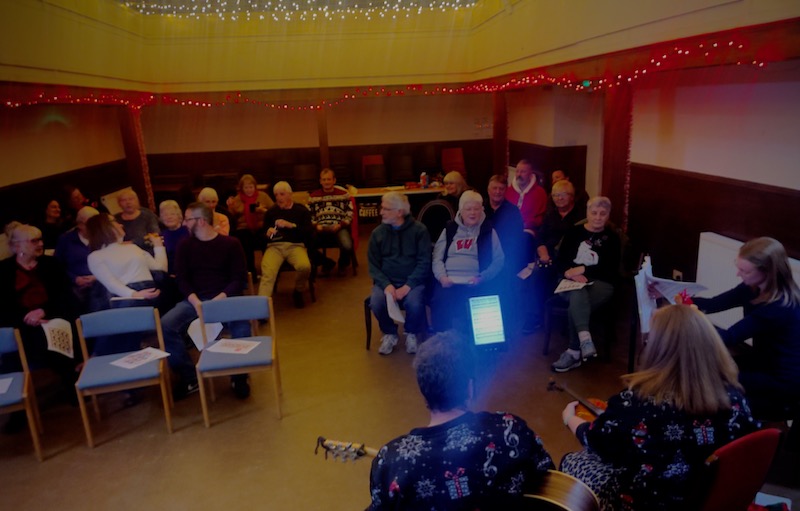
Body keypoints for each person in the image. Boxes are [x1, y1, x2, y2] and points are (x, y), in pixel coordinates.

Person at [559, 305, 759, 511]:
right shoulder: (736, 398)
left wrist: (570, 419)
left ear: (659, 350)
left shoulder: (636, 403)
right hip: (710, 499)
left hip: (647, 503)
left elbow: (598, 442)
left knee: (573, 461)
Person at [367, 331, 555, 510]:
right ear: (470, 388)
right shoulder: (510, 428)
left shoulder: (390, 461)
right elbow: (551, 484)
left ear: (424, 392)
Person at [690, 237, 800, 419]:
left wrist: (684, 327)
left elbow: (727, 338)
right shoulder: (752, 287)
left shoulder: (778, 307)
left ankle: (722, 426)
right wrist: (672, 297)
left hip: (782, 382)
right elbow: (713, 304)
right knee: (712, 369)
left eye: (745, 271)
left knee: (710, 378)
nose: (738, 274)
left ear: (768, 272)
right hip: (764, 361)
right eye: (738, 267)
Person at [160, 203, 250, 400]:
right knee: (166, 325)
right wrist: (195, 301)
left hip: (225, 298)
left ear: (201, 221)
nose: (184, 223)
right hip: (195, 300)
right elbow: (182, 279)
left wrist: (218, 299)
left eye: (187, 219)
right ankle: (189, 377)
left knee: (242, 327)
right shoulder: (185, 245)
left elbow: (239, 279)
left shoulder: (231, 244)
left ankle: (239, 376)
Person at [0, 223, 78, 401]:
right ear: (17, 246)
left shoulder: (51, 264)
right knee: (13, 345)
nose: (41, 244)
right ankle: (17, 400)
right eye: (34, 241)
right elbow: (3, 306)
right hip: (19, 322)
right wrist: (26, 317)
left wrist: (43, 311)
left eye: (41, 240)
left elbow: (64, 296)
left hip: (52, 316)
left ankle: (71, 385)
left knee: (51, 332)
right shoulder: (3, 271)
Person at [551, 196, 621, 372]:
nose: (598, 217)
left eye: (602, 214)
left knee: (577, 300)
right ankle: (583, 341)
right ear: (587, 213)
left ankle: (574, 351)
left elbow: (609, 268)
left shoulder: (613, 238)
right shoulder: (573, 232)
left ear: (608, 215)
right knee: (578, 292)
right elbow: (560, 260)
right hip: (568, 281)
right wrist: (570, 273)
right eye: (594, 212)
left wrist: (582, 270)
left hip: (601, 284)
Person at [368, 192, 431, 355]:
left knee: (414, 303)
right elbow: (373, 266)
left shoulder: (419, 231)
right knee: (376, 302)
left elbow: (424, 262)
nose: (381, 212)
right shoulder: (377, 233)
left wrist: (408, 286)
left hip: (412, 282)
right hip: (387, 282)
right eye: (382, 208)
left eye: (386, 209)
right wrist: (386, 285)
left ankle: (411, 332)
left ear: (399, 212)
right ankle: (389, 333)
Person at [431, 191, 504, 333]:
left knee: (483, 307)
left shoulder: (488, 231)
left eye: (476, 209)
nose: (472, 213)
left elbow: (498, 261)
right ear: (461, 211)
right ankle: (442, 339)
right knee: (440, 301)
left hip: (477, 281)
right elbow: (437, 258)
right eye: (468, 209)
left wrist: (482, 277)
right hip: (449, 281)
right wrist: (442, 277)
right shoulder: (450, 229)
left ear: (482, 210)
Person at [85, 214, 166, 331]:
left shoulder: (133, 248)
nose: (120, 225)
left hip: (149, 291)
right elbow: (111, 283)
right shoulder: (95, 256)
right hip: (126, 296)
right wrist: (135, 294)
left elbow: (160, 268)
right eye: (114, 221)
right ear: (103, 227)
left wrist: (158, 246)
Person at [257, 181, 313, 309]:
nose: (278, 198)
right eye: (276, 195)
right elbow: (262, 235)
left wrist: (291, 225)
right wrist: (267, 233)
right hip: (274, 247)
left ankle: (298, 290)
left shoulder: (301, 210)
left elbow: (308, 232)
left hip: (296, 245)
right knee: (268, 273)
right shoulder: (271, 212)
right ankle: (261, 307)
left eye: (282, 194)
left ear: (290, 194)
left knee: (304, 267)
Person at [54, 206, 101, 315]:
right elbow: (57, 266)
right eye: (92, 224)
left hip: (100, 282)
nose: (97, 227)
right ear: (80, 224)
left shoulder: (102, 238)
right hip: (74, 285)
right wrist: (74, 279)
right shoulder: (66, 240)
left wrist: (96, 277)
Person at [307, 168, 354, 276]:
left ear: (334, 180)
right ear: (320, 181)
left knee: (347, 246)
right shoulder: (313, 197)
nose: (326, 182)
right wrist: (315, 225)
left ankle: (342, 264)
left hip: (339, 227)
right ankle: (327, 263)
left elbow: (350, 213)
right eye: (324, 180)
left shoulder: (344, 195)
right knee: (306, 245)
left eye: (329, 179)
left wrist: (341, 224)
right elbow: (309, 215)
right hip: (320, 228)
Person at [227, 173, 274, 275]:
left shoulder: (263, 196)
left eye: (251, 187)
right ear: (242, 188)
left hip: (260, 226)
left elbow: (273, 211)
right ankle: (251, 272)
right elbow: (231, 216)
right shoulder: (237, 199)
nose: (249, 190)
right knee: (245, 241)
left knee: (267, 239)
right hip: (244, 227)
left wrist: (263, 211)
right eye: (246, 187)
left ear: (255, 187)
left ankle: (269, 270)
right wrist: (230, 206)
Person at [505, 159, 547, 238]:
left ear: (530, 174)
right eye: (517, 171)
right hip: (508, 227)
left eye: (523, 172)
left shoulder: (540, 193)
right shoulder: (508, 191)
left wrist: (525, 224)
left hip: (528, 230)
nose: (519, 174)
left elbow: (541, 217)